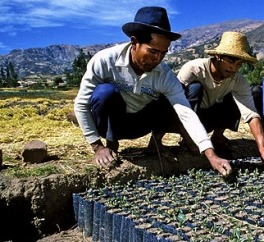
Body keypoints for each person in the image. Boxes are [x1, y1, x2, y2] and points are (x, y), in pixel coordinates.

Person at [73, 6, 231, 177]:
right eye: (153, 51)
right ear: (134, 43)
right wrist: (97, 146)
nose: (158, 59)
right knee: (105, 92)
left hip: (140, 125)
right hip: (109, 124)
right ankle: (110, 144)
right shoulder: (105, 61)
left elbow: (186, 113)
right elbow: (81, 105)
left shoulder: (163, 74)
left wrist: (211, 154)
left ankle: (156, 144)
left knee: (176, 94)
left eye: (163, 53)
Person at [176, 31, 264, 172]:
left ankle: (217, 137)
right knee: (195, 88)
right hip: (191, 118)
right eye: (230, 62)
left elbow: (251, 114)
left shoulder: (238, 80)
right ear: (218, 56)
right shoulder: (193, 69)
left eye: (238, 64)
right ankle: (187, 138)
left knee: (235, 98)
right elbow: (175, 103)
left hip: (212, 118)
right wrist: (189, 138)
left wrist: (263, 149)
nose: (234, 69)